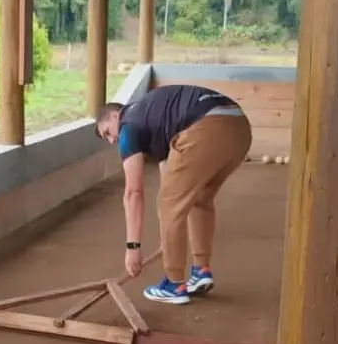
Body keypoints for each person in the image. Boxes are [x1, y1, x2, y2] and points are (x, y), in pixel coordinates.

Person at [95, 85, 251, 304]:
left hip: (206, 127)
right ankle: (201, 271)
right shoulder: (152, 116)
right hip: (239, 128)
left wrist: (133, 247)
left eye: (107, 133)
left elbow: (133, 192)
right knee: (199, 198)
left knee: (168, 205)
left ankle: (174, 284)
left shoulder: (127, 125)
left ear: (114, 116)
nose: (112, 140)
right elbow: (172, 177)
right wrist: (170, 237)